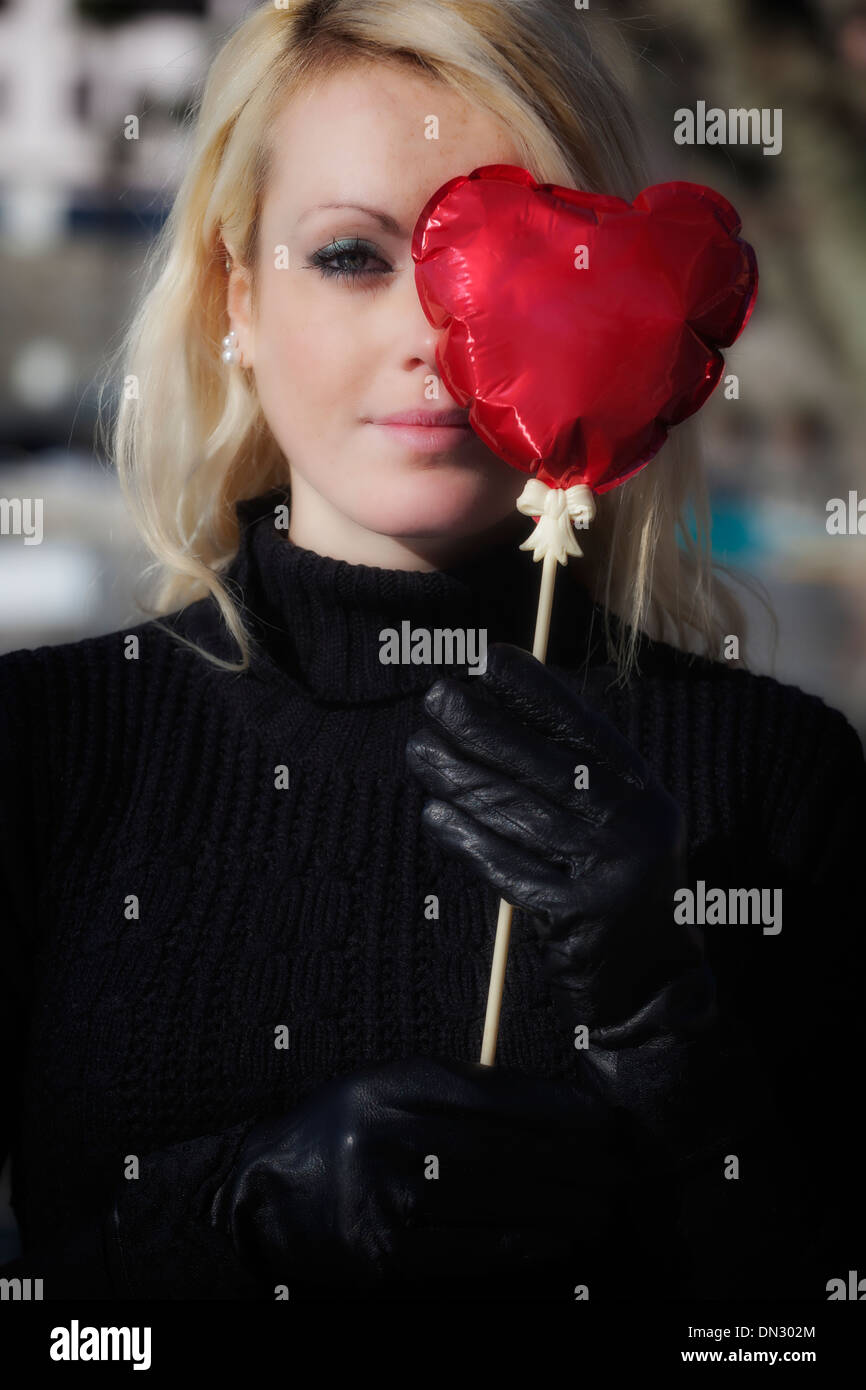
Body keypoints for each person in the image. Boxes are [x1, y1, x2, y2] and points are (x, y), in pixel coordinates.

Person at [0, 0, 862, 1303]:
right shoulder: (48, 748)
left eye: (511, 262)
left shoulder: (770, 779)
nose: (433, 336)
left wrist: (660, 1025)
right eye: (351, 254)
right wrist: (230, 1224)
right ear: (238, 297)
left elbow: (801, 1313)